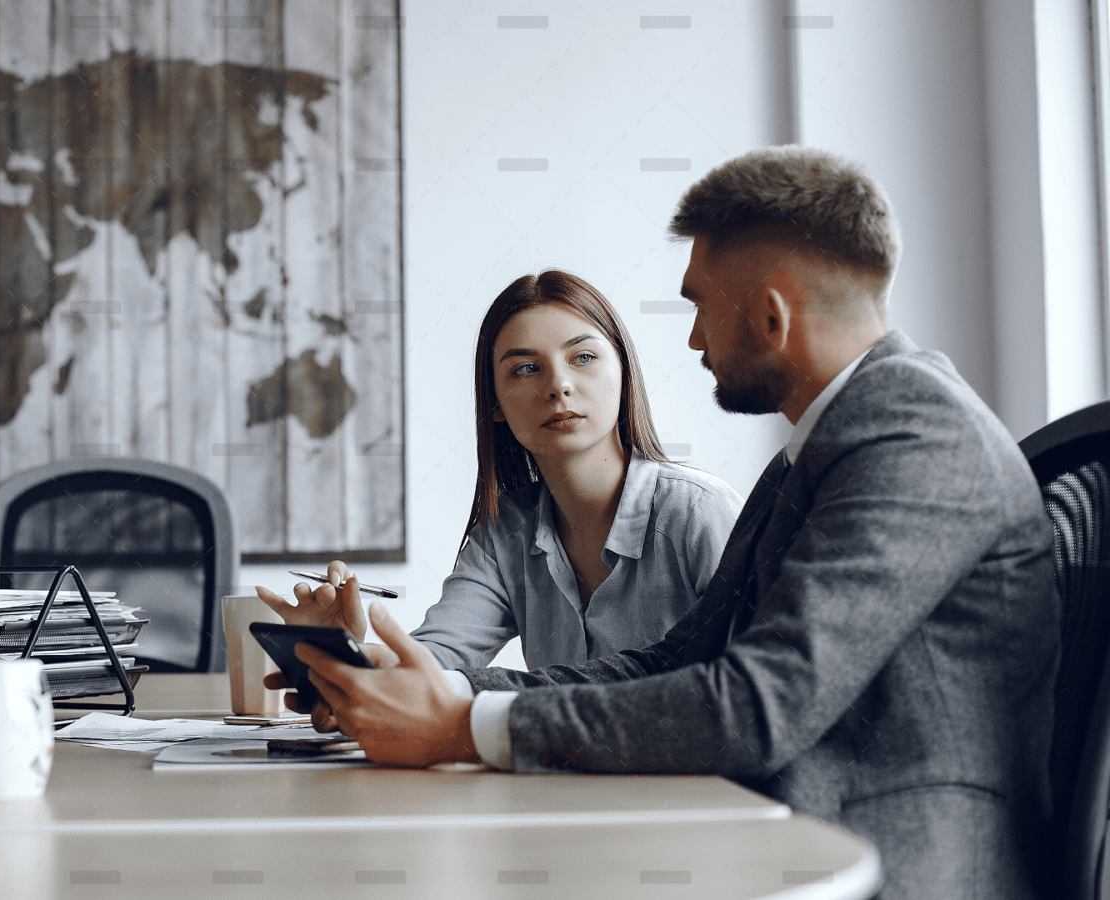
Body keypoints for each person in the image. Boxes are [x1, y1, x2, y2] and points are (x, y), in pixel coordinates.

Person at [278, 146, 1059, 899]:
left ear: (771, 314)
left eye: (698, 305)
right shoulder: (822, 446)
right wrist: (436, 692)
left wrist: (465, 728)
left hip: (883, 865)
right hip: (776, 837)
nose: (691, 339)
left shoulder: (916, 436)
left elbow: (758, 706)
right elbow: (675, 659)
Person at [259, 270, 742, 671]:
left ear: (623, 373)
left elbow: (757, 686)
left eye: (584, 357)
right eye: (526, 369)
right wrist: (343, 657)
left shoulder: (696, 513)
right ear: (494, 403)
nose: (559, 386)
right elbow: (435, 662)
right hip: (565, 782)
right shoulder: (505, 531)